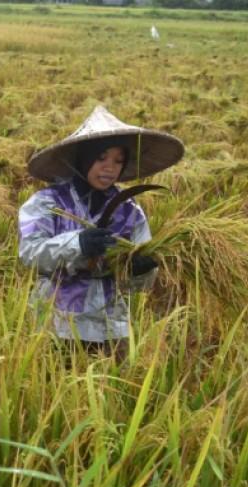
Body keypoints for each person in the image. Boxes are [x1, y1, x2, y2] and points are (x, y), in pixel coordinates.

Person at [18, 105, 185, 357]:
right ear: (84, 158)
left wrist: (140, 269)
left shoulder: (130, 211)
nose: (110, 168)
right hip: (56, 324)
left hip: (110, 328)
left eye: (119, 161)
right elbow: (30, 254)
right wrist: (78, 244)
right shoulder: (47, 203)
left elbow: (139, 284)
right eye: (101, 158)